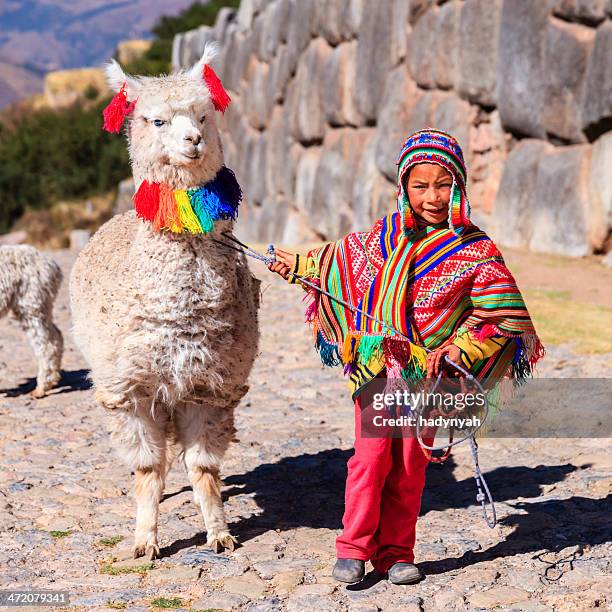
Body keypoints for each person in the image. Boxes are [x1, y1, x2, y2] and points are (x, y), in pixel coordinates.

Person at [268, 128, 544, 585]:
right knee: (372, 457)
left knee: (411, 463)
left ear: (458, 183)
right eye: (420, 185)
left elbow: (499, 317)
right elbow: (335, 261)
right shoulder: (382, 238)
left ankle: (397, 551)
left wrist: (460, 346)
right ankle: (354, 547)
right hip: (379, 366)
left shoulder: (476, 250)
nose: (432, 196)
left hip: (431, 378)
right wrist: (294, 264)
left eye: (443, 184)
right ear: (403, 186)